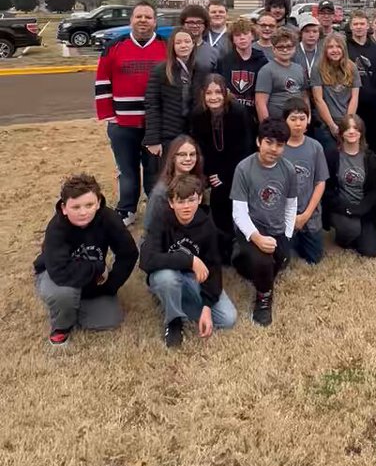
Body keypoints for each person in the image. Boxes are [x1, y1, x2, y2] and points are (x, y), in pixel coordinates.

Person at [34, 172, 138, 347]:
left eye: (89, 205)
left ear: (98, 202)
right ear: (64, 208)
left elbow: (129, 253)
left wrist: (111, 285)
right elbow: (60, 272)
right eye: (75, 207)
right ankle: (62, 326)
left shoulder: (109, 218)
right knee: (63, 295)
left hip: (88, 274)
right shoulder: (56, 228)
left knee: (109, 320)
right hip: (56, 273)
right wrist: (98, 268)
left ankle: (76, 304)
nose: (83, 212)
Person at [140, 172, 237, 347]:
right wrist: (190, 260)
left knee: (227, 318)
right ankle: (174, 321)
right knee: (166, 279)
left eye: (191, 200)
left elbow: (213, 267)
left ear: (199, 199)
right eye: (180, 201)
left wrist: (207, 307)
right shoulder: (161, 219)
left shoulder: (206, 224)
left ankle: (172, 300)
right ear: (171, 203)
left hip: (193, 278)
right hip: (167, 273)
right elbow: (147, 260)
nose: (186, 207)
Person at [95, 1, 166, 226]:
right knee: (127, 170)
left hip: (155, 124)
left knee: (154, 170)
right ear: (131, 20)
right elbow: (102, 81)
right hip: (122, 124)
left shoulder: (166, 46)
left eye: (148, 17)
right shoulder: (115, 46)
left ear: (155, 21)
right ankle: (127, 209)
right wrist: (110, 116)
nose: (143, 20)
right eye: (139, 16)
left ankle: (155, 209)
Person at [230, 118, 298, 326]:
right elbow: (239, 212)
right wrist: (257, 238)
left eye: (279, 144)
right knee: (263, 263)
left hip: (277, 229)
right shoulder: (244, 168)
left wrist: (287, 236)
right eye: (269, 142)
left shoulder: (288, 170)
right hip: (252, 228)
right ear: (259, 141)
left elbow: (291, 205)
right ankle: (264, 299)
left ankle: (246, 262)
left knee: (280, 262)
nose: (274, 149)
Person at [190, 75, 254, 263]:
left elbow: (245, 148)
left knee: (229, 196)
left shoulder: (238, 112)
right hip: (213, 169)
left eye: (218, 92)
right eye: (209, 93)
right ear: (203, 94)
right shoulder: (198, 115)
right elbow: (201, 148)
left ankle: (240, 243)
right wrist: (211, 174)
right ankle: (223, 247)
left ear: (225, 92)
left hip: (237, 167)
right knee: (217, 200)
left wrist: (225, 175)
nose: (214, 97)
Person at [323, 115, 376, 257]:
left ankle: (359, 235)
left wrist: (360, 209)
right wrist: (347, 208)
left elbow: (374, 191)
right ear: (341, 132)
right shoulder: (332, 155)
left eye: (356, 128)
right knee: (352, 229)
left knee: (371, 251)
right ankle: (343, 238)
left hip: (363, 208)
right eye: (347, 128)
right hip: (340, 208)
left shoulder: (370, 158)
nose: (351, 131)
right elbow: (327, 190)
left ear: (361, 132)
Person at [282, 98, 329, 264]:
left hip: (309, 214)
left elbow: (320, 182)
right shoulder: (278, 148)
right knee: (284, 258)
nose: (298, 124)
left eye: (302, 118)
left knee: (314, 258)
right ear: (284, 121)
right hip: (284, 214)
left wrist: (306, 215)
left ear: (308, 120)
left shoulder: (315, 147)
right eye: (293, 119)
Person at [144, 27, 197, 156]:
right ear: (172, 46)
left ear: (193, 44)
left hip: (193, 134)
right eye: (178, 42)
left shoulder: (200, 69)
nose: (183, 45)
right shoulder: (161, 70)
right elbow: (152, 105)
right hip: (168, 135)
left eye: (187, 41)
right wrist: (153, 140)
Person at [347, 11, 376, 160]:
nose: (359, 27)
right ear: (351, 26)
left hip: (373, 107)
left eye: (362, 24)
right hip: (351, 105)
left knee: (373, 146)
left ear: (368, 26)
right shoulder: (344, 49)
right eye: (356, 24)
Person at [144, 134, 205, 233]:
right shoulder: (161, 191)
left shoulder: (199, 181)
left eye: (192, 154)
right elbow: (149, 226)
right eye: (182, 154)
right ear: (173, 157)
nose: (188, 159)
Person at [311, 32, 361, 148]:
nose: (335, 50)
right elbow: (318, 99)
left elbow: (354, 97)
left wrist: (347, 124)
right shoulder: (317, 68)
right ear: (325, 50)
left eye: (338, 46)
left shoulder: (352, 67)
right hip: (325, 124)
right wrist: (331, 125)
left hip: (346, 121)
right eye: (330, 47)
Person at [218, 16, 268, 121]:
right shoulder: (224, 61)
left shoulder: (262, 61)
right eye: (237, 35)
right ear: (232, 39)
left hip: (253, 115)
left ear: (253, 36)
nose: (242, 38)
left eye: (245, 34)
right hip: (230, 115)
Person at [255, 28, 308, 121]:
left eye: (289, 46)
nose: (285, 50)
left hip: (298, 121)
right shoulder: (266, 70)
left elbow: (304, 96)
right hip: (277, 122)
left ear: (295, 48)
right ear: (273, 49)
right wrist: (267, 126)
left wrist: (308, 116)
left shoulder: (299, 69)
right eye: (280, 47)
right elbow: (260, 102)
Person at [179, 4, 220, 78]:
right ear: (183, 24)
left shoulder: (213, 53)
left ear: (205, 25)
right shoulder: (173, 49)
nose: (195, 26)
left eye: (199, 22)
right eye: (191, 22)